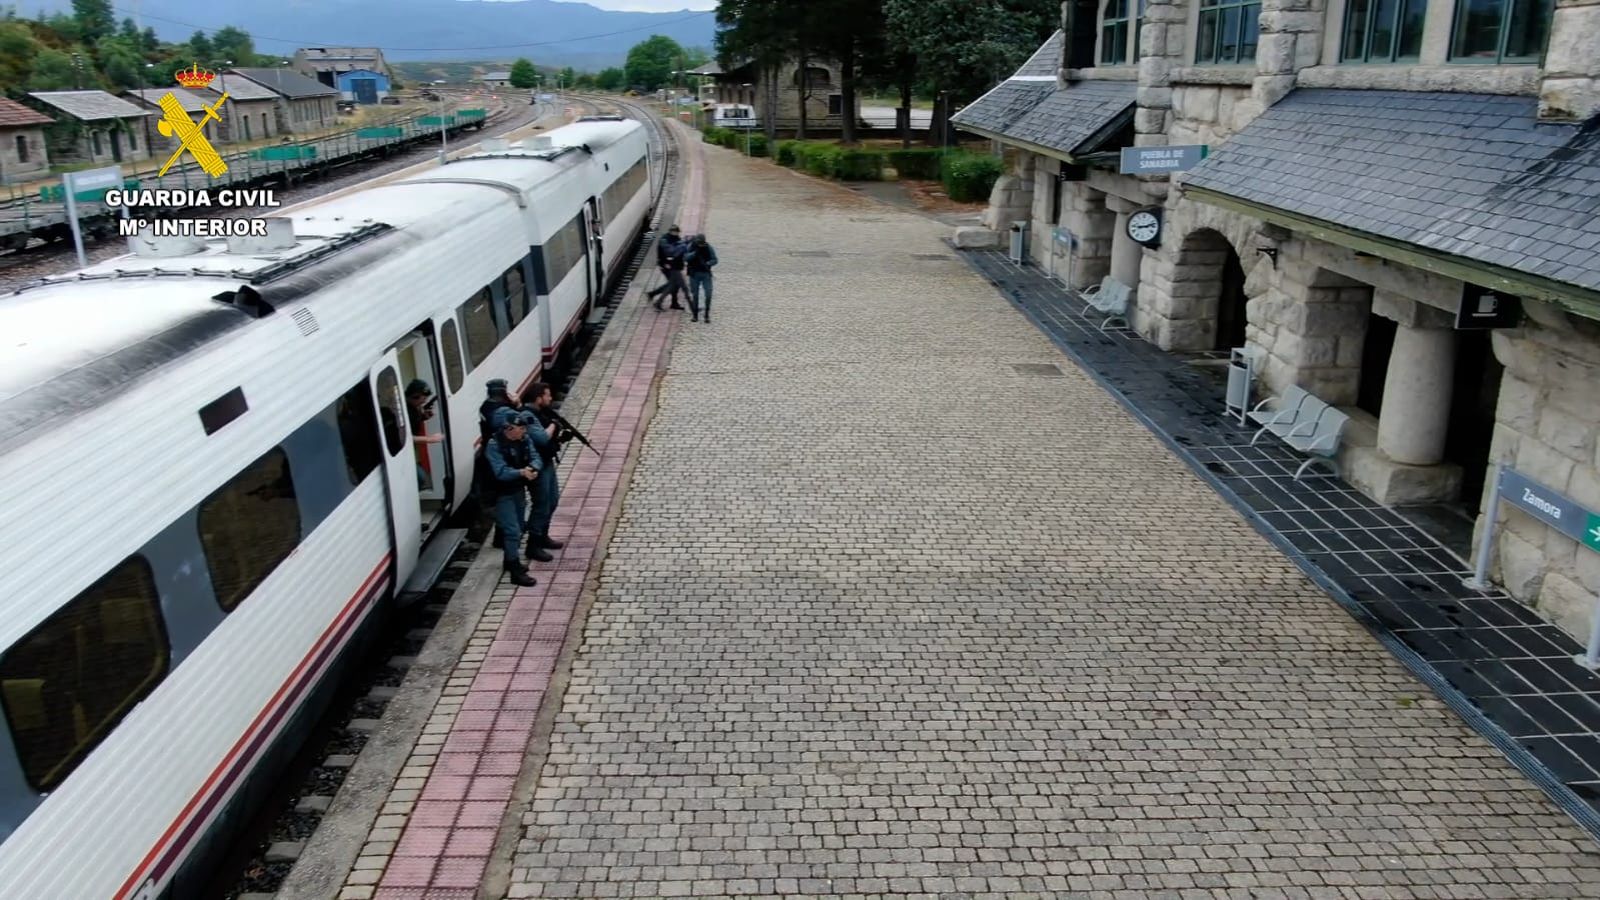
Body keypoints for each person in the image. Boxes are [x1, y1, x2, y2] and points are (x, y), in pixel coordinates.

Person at [484, 408, 541, 587]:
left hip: (517, 489)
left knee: (520, 526)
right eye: (520, 429)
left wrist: (533, 468)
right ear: (508, 429)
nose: (524, 432)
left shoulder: (523, 439)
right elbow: (500, 472)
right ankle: (514, 569)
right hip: (500, 493)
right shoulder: (494, 445)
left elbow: (535, 456)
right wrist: (522, 472)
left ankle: (510, 560)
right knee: (512, 531)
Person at [523, 382, 566, 560]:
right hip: (537, 466)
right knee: (541, 504)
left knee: (552, 500)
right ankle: (532, 545)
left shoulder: (541, 412)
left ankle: (543, 536)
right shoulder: (527, 415)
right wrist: (554, 426)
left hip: (547, 462)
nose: (550, 398)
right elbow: (541, 438)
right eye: (547, 395)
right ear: (538, 397)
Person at [406, 379, 445, 489]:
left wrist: (423, 417)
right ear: (415, 396)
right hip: (401, 452)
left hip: (409, 451)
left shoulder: (413, 408)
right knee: (420, 478)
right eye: (422, 401)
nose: (422, 403)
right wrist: (430, 439)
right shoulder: (404, 411)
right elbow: (405, 437)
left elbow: (413, 422)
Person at [646, 225, 686, 311]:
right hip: (667, 266)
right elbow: (663, 254)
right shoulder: (664, 240)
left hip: (674, 266)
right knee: (673, 285)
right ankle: (665, 302)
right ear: (671, 231)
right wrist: (665, 263)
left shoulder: (676, 238)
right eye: (676, 231)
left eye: (678, 232)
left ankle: (656, 296)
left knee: (674, 285)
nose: (677, 233)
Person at [684, 233, 718, 323]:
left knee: (708, 293)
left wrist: (708, 263)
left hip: (705, 274)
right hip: (694, 274)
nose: (700, 245)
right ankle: (695, 315)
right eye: (699, 243)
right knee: (695, 295)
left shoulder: (708, 247)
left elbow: (715, 260)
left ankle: (707, 314)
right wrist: (695, 254)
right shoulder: (691, 246)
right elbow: (686, 257)